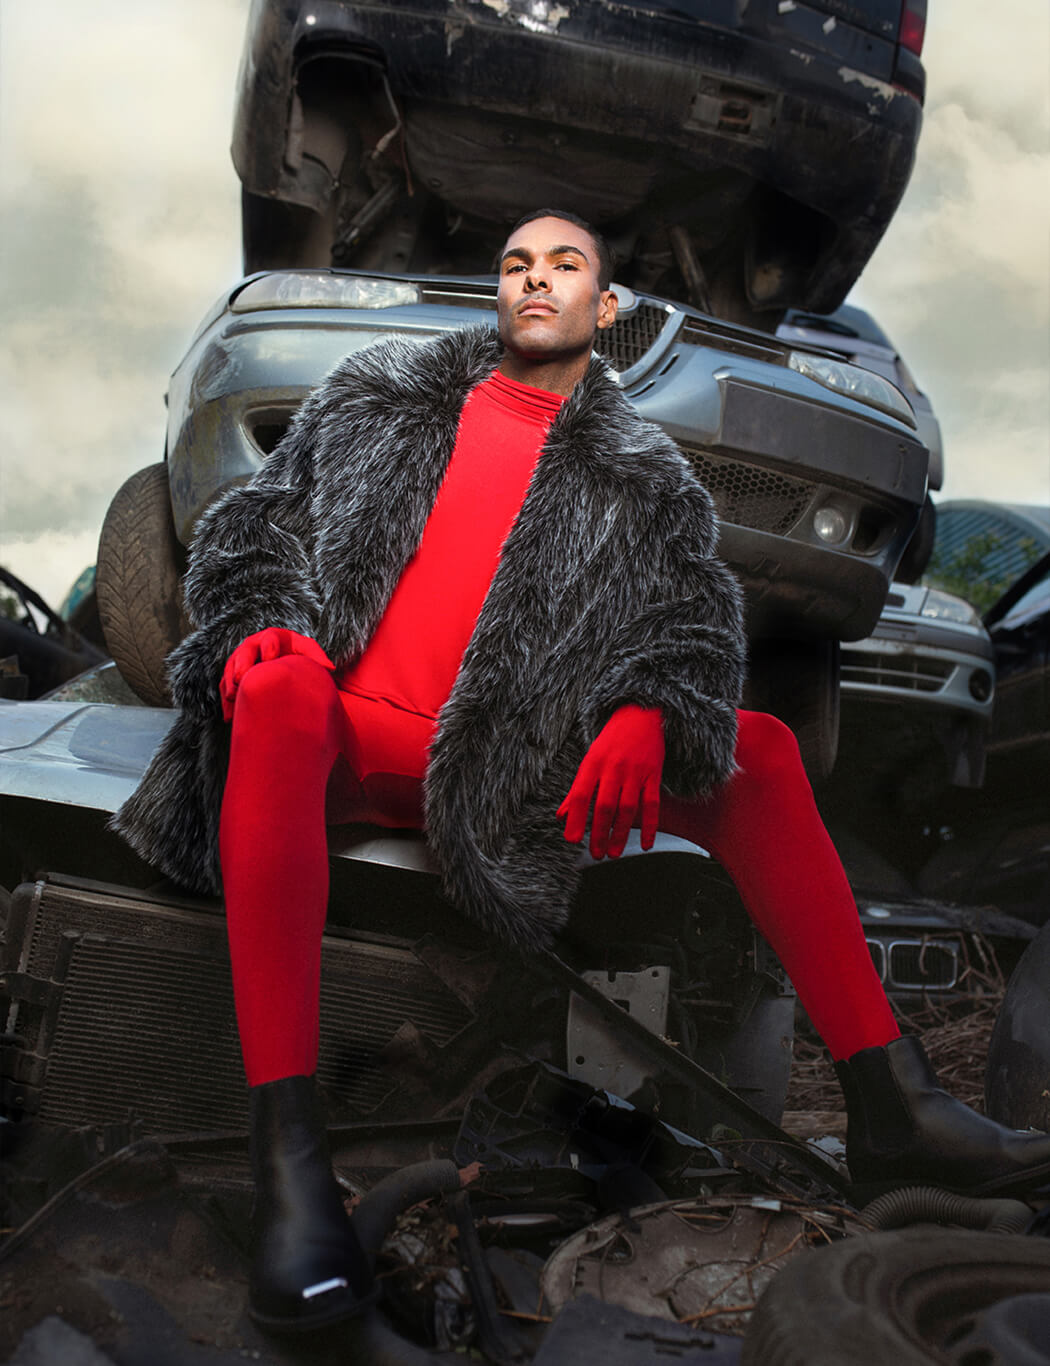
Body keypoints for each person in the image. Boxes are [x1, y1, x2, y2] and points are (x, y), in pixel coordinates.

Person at [114, 210, 1050, 1332]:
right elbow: (251, 523)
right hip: (345, 733)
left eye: (563, 266)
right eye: (517, 265)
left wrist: (654, 707)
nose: (536, 280)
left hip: (505, 765)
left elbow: (697, 620)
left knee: (757, 749)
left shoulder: (647, 478)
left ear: (602, 308)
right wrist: (263, 617)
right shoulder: (377, 397)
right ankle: (292, 1166)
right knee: (275, 693)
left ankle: (892, 1102)